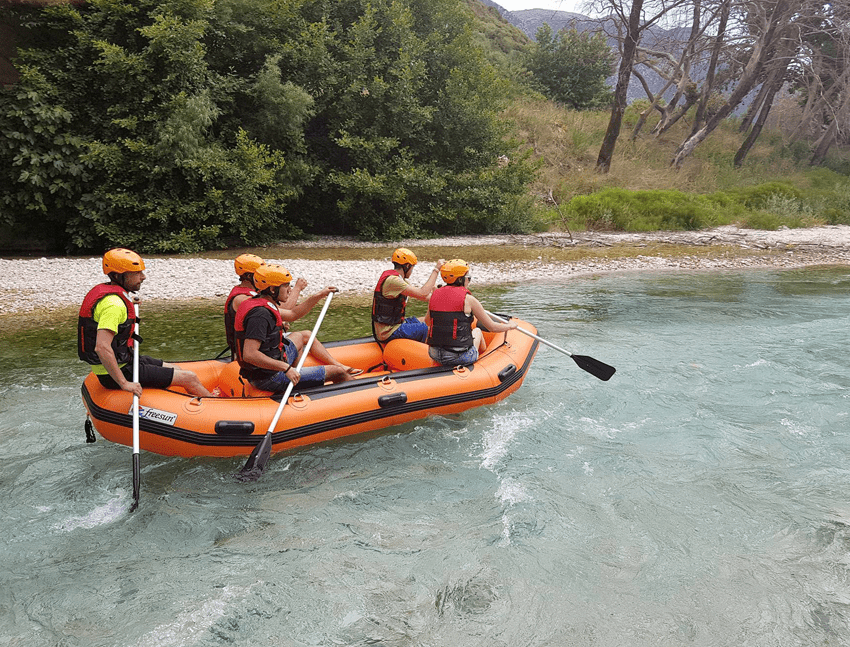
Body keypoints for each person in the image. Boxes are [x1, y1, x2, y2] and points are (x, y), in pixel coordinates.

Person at [78, 248, 218, 398]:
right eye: (137, 273)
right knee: (189, 377)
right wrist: (124, 383)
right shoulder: (114, 305)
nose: (143, 277)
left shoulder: (115, 296)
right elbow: (102, 347)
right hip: (117, 372)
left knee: (177, 369)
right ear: (120, 275)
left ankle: (188, 396)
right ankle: (215, 403)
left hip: (126, 361)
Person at [233, 263, 358, 392]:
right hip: (270, 377)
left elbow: (293, 314)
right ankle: (358, 394)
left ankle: (305, 379)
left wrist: (320, 295)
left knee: (299, 336)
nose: (290, 289)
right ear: (272, 289)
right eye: (286, 285)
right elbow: (249, 354)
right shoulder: (260, 315)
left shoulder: (263, 301)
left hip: (275, 361)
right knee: (337, 371)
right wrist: (286, 368)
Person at [425, 259, 517, 366]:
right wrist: (510, 326)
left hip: (434, 354)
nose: (468, 281)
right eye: (468, 278)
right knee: (477, 331)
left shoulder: (434, 295)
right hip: (458, 357)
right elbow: (492, 327)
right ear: (460, 279)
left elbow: (428, 322)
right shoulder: (469, 299)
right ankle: (483, 362)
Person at [371, 247, 444, 344]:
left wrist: (439, 295)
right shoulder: (393, 281)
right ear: (407, 266)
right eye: (412, 267)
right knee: (430, 329)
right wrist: (436, 270)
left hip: (395, 325)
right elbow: (422, 293)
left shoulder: (399, 281)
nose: (412, 271)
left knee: (424, 320)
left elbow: (426, 297)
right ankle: (428, 355)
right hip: (387, 332)